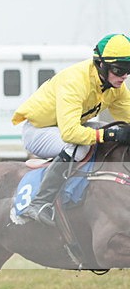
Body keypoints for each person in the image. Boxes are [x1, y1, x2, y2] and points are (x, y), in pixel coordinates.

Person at [13, 33, 130, 225]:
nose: (124, 76)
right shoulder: (75, 81)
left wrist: (112, 134)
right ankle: (40, 202)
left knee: (112, 133)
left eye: (129, 69)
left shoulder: (116, 87)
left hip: (65, 128)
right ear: (101, 64)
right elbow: (70, 133)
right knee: (82, 145)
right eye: (119, 69)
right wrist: (109, 134)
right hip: (39, 131)